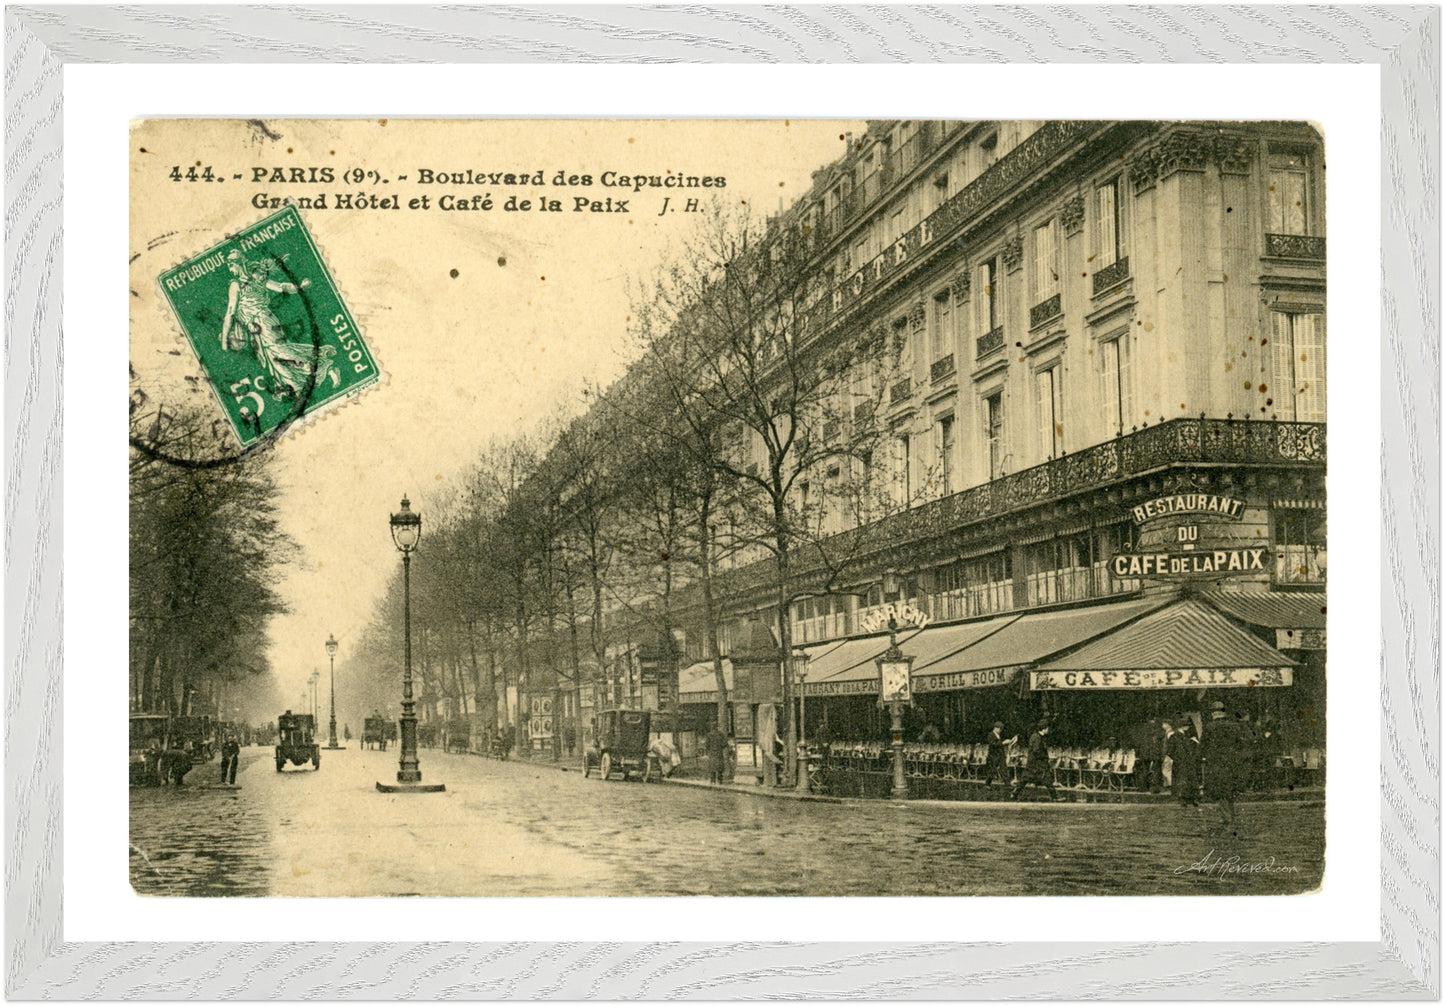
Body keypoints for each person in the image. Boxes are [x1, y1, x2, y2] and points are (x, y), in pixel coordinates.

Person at [217, 250, 339, 402]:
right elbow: (281, 287)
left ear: (239, 264)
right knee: (273, 359)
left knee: (280, 352)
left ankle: (323, 366)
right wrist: (299, 287)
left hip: (262, 323)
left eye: (231, 265)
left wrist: (224, 342)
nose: (230, 269)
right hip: (259, 325)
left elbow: (230, 312)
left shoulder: (237, 284)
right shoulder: (256, 278)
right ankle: (297, 386)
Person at [1202, 701, 1254, 828]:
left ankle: (1226, 816)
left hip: (1215, 763)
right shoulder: (1234, 726)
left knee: (1220, 790)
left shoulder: (1209, 727)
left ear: (1214, 713)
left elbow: (1203, 746)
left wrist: (1202, 757)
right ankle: (1231, 814)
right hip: (1232, 763)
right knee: (1229, 789)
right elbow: (1243, 743)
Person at [1010, 719, 1061, 802]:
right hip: (1037, 763)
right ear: (1044, 728)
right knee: (1046, 779)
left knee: (1026, 779)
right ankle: (1055, 797)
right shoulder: (1037, 737)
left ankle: (1014, 794)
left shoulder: (1037, 736)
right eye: (1047, 728)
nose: (1048, 730)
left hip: (1035, 763)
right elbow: (1036, 750)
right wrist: (1044, 758)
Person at [1166, 721, 1201, 806]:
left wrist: (1176, 758)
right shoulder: (1187, 737)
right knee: (1189, 780)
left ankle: (1183, 798)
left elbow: (1169, 751)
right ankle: (1192, 798)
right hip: (1187, 762)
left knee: (1181, 780)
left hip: (1180, 762)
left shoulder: (1174, 736)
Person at [984, 721, 1017, 788]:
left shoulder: (998, 735)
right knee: (992, 771)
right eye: (1000, 729)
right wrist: (1003, 743)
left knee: (1004, 769)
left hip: (1000, 755)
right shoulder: (991, 735)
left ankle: (1007, 784)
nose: (1000, 730)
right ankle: (987, 784)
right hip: (993, 756)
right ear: (995, 728)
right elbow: (993, 744)